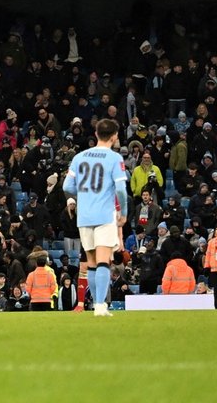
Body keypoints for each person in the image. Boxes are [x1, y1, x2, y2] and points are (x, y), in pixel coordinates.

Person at [64, 116, 127, 317]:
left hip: (84, 217)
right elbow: (121, 190)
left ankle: (93, 304)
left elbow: (67, 187)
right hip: (104, 215)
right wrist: (123, 213)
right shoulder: (115, 158)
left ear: (96, 134)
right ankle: (100, 306)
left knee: (91, 263)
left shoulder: (79, 157)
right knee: (103, 262)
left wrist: (81, 196)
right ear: (115, 136)